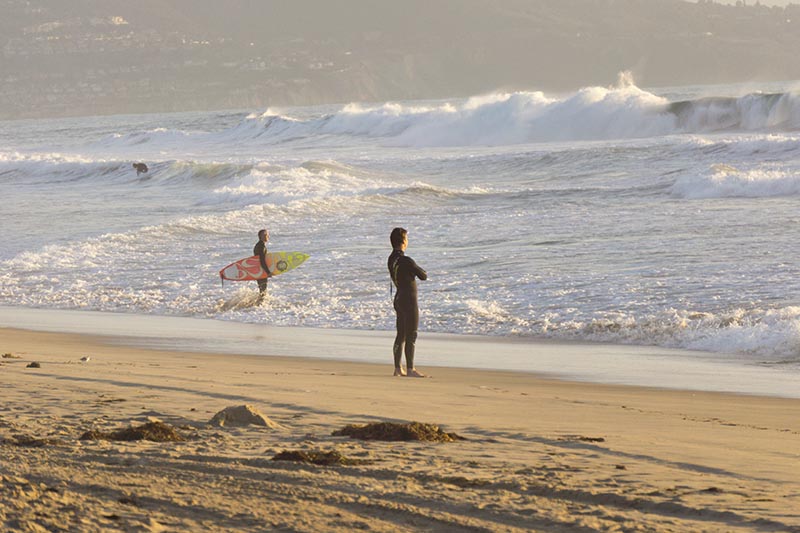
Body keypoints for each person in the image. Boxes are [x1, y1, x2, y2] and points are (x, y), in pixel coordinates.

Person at [387, 227, 427, 377]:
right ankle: (410, 369)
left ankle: (398, 368)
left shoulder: (391, 259)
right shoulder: (406, 260)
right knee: (412, 334)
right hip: (409, 300)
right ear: (403, 241)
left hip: (398, 298)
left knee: (401, 335)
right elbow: (423, 275)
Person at [254, 228, 270, 303]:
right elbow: (262, 261)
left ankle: (259, 304)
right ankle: (260, 305)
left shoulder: (258, 245)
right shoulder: (261, 246)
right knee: (263, 289)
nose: (267, 236)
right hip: (261, 270)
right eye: (265, 235)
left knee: (262, 289)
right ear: (260, 236)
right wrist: (267, 272)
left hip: (258, 269)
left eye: (267, 235)